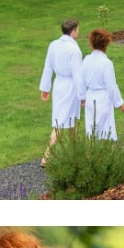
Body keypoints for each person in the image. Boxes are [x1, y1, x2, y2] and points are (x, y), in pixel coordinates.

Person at [38, 18, 85, 167]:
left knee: (70, 120)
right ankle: (47, 156)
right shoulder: (74, 50)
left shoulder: (53, 45)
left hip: (58, 85)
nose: (78, 31)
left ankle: (77, 152)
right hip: (69, 87)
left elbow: (47, 67)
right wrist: (82, 96)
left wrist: (45, 88)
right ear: (73, 31)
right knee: (61, 122)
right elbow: (78, 74)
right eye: (78, 29)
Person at [80, 28, 124, 140]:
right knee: (105, 130)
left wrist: (82, 97)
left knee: (91, 129)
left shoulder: (86, 60)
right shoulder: (106, 63)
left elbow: (81, 80)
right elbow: (112, 86)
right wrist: (119, 103)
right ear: (106, 43)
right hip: (103, 99)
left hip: (90, 97)